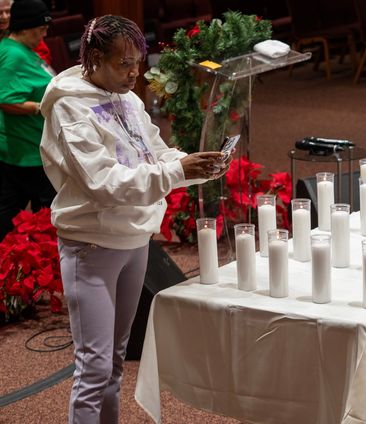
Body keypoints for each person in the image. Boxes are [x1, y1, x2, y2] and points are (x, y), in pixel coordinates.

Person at [39, 15, 229, 423]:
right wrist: (178, 172)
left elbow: (153, 153)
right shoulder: (70, 108)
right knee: (92, 368)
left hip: (134, 239)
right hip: (91, 244)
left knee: (114, 362)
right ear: (93, 58)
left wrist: (189, 164)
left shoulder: (126, 97)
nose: (134, 72)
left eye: (138, 62)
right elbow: (102, 182)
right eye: (124, 63)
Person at [0, 0, 54, 239]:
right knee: (43, 211)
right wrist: (40, 107)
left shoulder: (24, 51)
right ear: (25, 27)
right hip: (26, 152)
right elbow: (6, 99)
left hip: (33, 149)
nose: (45, 32)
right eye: (40, 28)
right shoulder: (12, 55)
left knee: (20, 212)